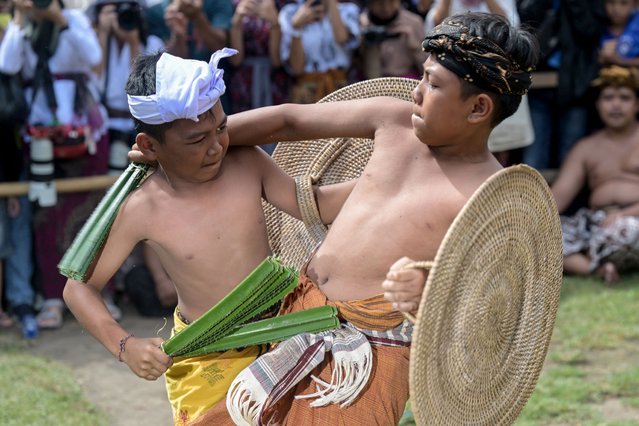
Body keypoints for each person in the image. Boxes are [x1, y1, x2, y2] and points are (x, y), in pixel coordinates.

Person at [167, 11, 538, 425]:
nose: (417, 92)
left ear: (478, 108)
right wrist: (197, 142)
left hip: (371, 356)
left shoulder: (485, 198)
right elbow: (289, 120)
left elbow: (487, 300)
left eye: (433, 84)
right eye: (422, 76)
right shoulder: (394, 121)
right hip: (296, 314)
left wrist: (430, 290)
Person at [63, 48, 354, 425]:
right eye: (196, 139)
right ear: (149, 146)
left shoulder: (247, 162)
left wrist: (381, 183)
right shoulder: (142, 207)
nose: (216, 146)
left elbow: (313, 204)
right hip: (209, 355)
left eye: (220, 128)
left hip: (286, 330)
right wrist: (125, 345)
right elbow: (78, 288)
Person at [0, 0, 111, 330]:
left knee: (94, 212)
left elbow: (92, 57)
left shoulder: (74, 19)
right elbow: (7, 65)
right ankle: (52, 296)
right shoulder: (25, 25)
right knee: (45, 216)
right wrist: (21, 19)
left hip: (86, 126)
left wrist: (59, 19)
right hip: (40, 132)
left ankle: (100, 295)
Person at [551, 65, 639, 285]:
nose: (616, 105)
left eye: (624, 98)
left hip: (634, 218)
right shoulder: (586, 147)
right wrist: (532, 221)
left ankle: (601, 259)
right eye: (608, 98)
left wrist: (626, 213)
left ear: (637, 105)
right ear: (598, 105)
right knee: (546, 238)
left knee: (627, 228)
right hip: (597, 222)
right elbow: (559, 196)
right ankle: (598, 269)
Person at [90, 0, 165, 175]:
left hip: (140, 127)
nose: (121, 16)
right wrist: (103, 33)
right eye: (113, 11)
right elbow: (94, 83)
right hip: (105, 126)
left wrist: (133, 43)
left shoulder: (153, 43)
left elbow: (142, 90)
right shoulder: (93, 43)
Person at [278, 0, 361, 104]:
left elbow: (342, 38)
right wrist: (296, 28)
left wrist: (331, 5)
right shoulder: (290, 13)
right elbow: (296, 68)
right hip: (307, 94)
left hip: (340, 90)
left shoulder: (347, 10)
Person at [356, 0, 428, 80]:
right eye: (380, 3)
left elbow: (427, 69)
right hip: (371, 82)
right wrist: (361, 45)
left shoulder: (414, 23)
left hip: (405, 82)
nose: (386, 8)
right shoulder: (360, 23)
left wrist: (415, 47)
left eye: (391, 2)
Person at [599, 0, 639, 67]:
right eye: (611, 2)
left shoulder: (637, 24)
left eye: (624, 3)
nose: (616, 9)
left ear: (635, 3)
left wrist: (619, 60)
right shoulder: (598, 27)